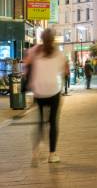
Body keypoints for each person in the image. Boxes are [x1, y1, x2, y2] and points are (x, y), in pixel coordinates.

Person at [25, 29, 68, 165]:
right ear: (53, 39)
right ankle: (52, 154)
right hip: (54, 91)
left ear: (41, 38)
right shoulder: (59, 54)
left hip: (38, 91)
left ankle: (35, 152)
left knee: (39, 122)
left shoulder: (34, 51)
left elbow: (26, 67)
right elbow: (65, 71)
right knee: (53, 122)